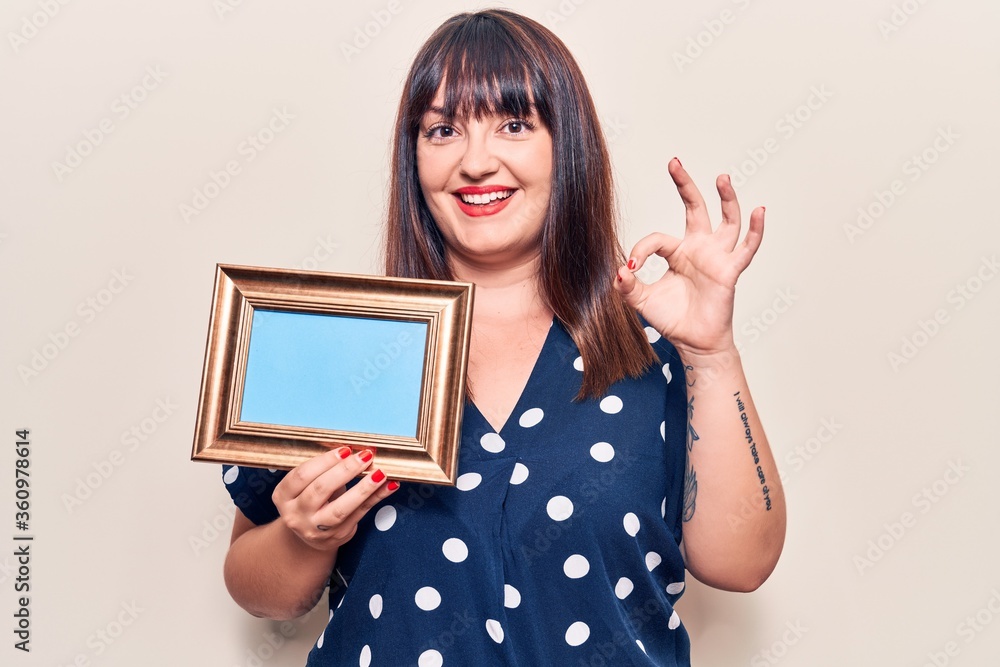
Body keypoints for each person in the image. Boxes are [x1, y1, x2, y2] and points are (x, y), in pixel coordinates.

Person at [221, 9, 785, 666]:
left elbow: (742, 564)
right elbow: (257, 590)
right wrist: (303, 535)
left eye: (514, 124)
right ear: (413, 157)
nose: (475, 161)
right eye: (443, 130)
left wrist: (711, 355)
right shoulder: (355, 349)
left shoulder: (656, 347)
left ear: (566, 145)